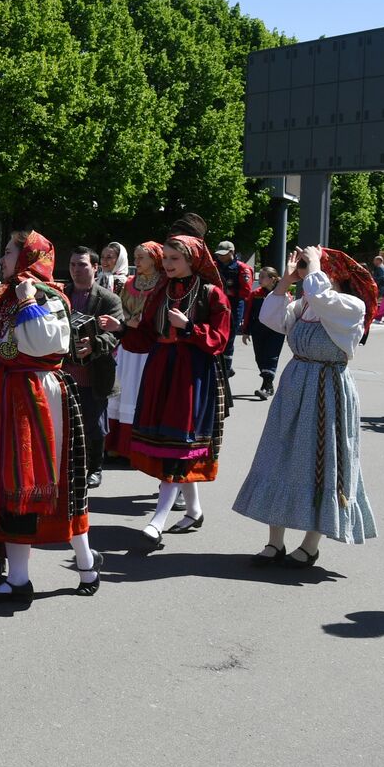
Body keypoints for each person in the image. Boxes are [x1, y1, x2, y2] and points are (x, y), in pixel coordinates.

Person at [0, 231, 100, 603]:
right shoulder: (6, 298)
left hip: (39, 399)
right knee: (13, 484)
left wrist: (29, 302)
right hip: (8, 397)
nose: (2, 259)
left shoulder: (47, 296)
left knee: (55, 482)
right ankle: (19, 579)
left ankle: (87, 562)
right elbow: (5, 345)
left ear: (28, 256)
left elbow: (49, 343)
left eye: (8, 252)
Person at [234, 246, 377, 568]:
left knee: (321, 463)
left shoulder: (350, 306)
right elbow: (269, 318)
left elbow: (325, 299)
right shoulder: (305, 304)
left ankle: (310, 545)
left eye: (314, 268)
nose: (307, 272)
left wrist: (313, 267)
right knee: (279, 457)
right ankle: (275, 543)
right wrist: (285, 279)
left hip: (328, 388)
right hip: (295, 385)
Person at [126, 235, 231, 549]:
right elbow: (145, 335)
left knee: (177, 444)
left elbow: (221, 339)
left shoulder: (212, 295)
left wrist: (189, 328)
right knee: (171, 442)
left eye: (175, 258)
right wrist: (120, 329)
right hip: (161, 370)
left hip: (192, 375)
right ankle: (194, 510)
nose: (168, 264)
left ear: (192, 261)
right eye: (166, 258)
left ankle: (157, 521)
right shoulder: (161, 292)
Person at [63, 246, 124, 489]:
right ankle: (69, 465)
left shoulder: (109, 299)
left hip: (94, 373)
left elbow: (115, 335)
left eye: (83, 265)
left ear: (96, 268)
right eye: (73, 265)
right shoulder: (60, 294)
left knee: (95, 424)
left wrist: (95, 344)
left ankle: (96, 468)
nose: (76, 270)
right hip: (64, 373)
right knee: (65, 422)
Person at [103, 241, 164, 458]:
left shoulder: (162, 286)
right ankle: (114, 445)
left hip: (149, 349)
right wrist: (129, 321)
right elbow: (120, 313)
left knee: (139, 395)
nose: (136, 262)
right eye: (136, 257)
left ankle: (136, 448)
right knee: (120, 394)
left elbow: (157, 319)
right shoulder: (129, 283)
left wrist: (136, 322)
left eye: (141, 258)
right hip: (127, 346)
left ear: (155, 259)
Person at [243, 265, 287, 400]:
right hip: (258, 330)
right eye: (259, 276)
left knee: (271, 356)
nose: (259, 279)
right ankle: (268, 385)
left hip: (276, 331)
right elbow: (248, 313)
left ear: (272, 279)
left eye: (263, 276)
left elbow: (287, 312)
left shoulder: (282, 294)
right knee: (260, 358)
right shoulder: (255, 294)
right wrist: (246, 331)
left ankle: (267, 387)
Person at [214, 240, 254, 378]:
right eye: (218, 254)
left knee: (229, 337)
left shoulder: (242, 269)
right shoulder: (215, 265)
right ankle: (219, 366)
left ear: (232, 252)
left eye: (223, 254)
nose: (220, 257)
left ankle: (226, 369)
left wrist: (226, 292)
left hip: (234, 306)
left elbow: (246, 292)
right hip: (217, 305)